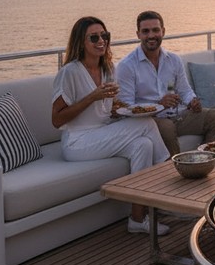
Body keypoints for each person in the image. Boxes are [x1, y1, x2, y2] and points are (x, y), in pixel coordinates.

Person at [51, 16, 171, 236]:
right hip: (78, 141)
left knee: (143, 145)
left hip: (102, 134)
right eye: (94, 37)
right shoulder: (70, 72)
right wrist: (91, 97)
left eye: (104, 36)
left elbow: (108, 109)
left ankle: (137, 219)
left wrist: (120, 107)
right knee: (146, 123)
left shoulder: (107, 69)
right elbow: (57, 119)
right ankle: (171, 170)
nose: (101, 40)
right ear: (81, 41)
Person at [116, 10, 215, 157]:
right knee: (167, 127)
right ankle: (175, 173)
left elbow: (185, 90)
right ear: (138, 34)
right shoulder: (127, 66)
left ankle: (205, 162)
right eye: (145, 31)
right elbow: (127, 108)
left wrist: (192, 100)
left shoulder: (173, 60)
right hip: (149, 121)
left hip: (177, 116)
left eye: (155, 30)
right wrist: (159, 104)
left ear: (163, 31)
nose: (151, 35)